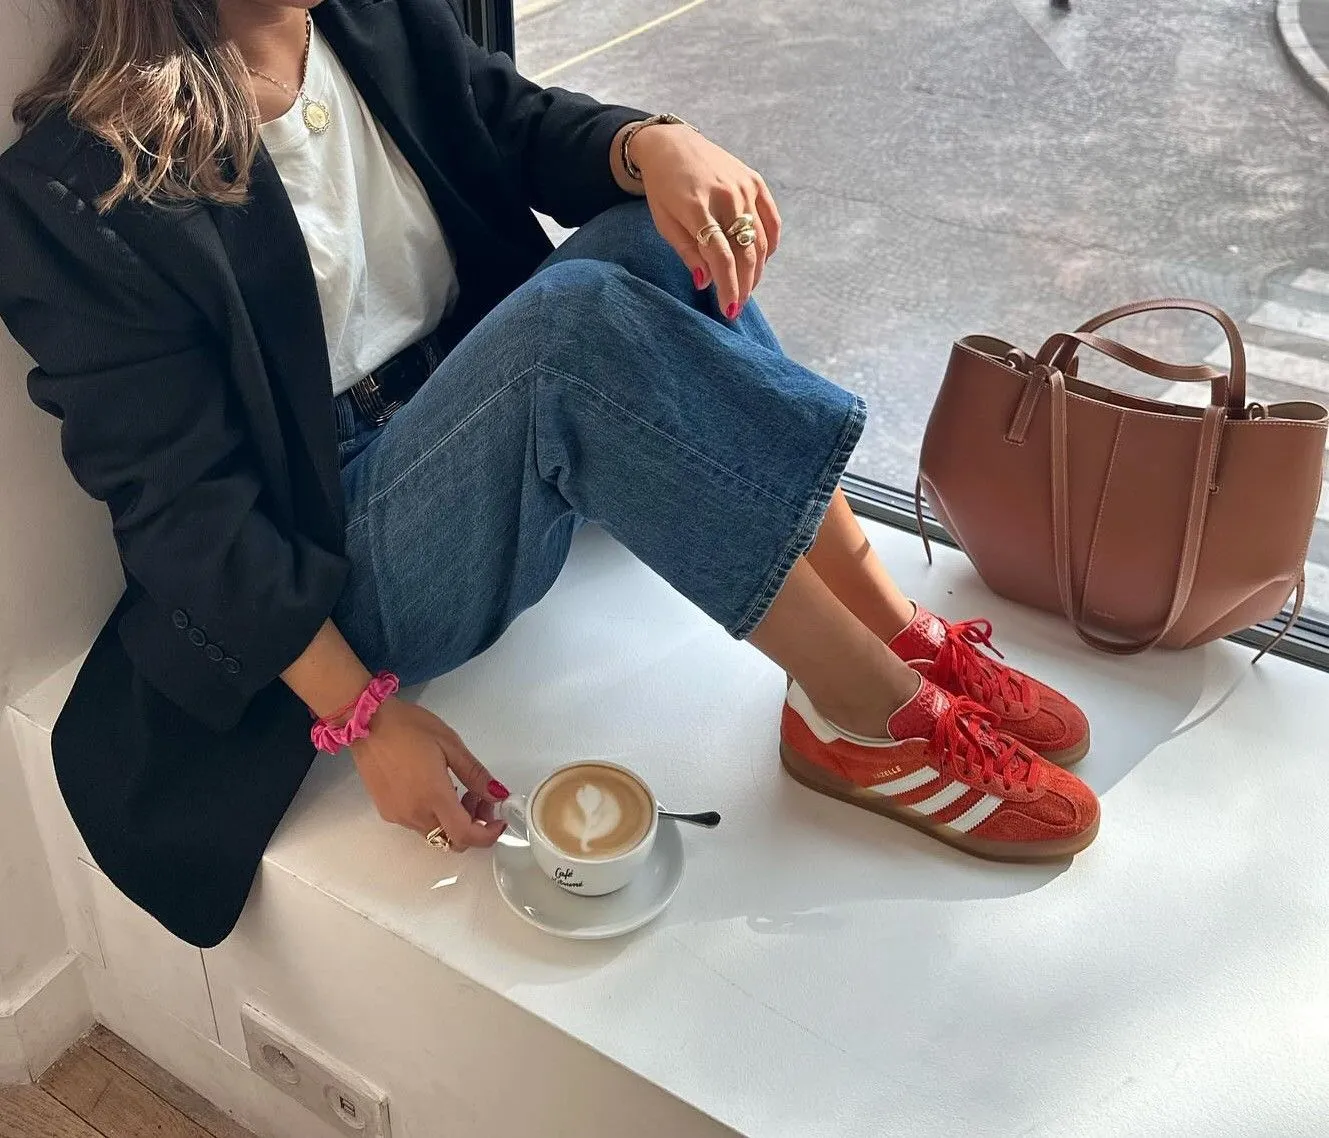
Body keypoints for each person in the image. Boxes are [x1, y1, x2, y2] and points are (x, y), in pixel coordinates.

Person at [0, 0, 1099, 948]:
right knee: (566, 329)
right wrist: (364, 722)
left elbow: (515, 124)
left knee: (658, 233)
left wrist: (654, 145)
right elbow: (184, 513)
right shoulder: (73, 184)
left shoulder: (362, 20)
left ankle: (894, 627)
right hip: (344, 556)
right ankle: (861, 713)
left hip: (470, 435)